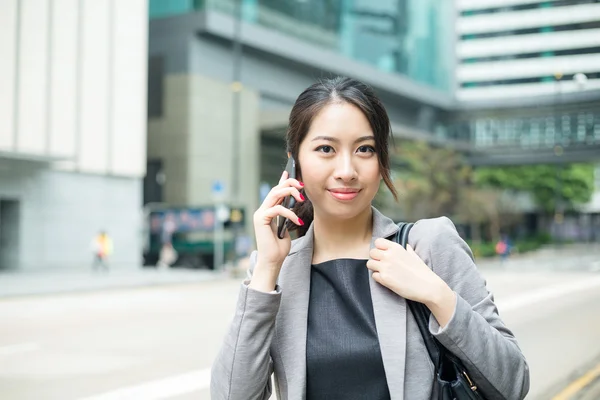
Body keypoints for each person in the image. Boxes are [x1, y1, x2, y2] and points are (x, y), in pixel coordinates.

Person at [211, 77, 530, 400]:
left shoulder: (428, 245)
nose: (347, 170)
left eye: (365, 149)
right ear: (295, 163)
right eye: (326, 149)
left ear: (381, 161)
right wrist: (267, 268)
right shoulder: (277, 271)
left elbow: (513, 383)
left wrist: (438, 296)